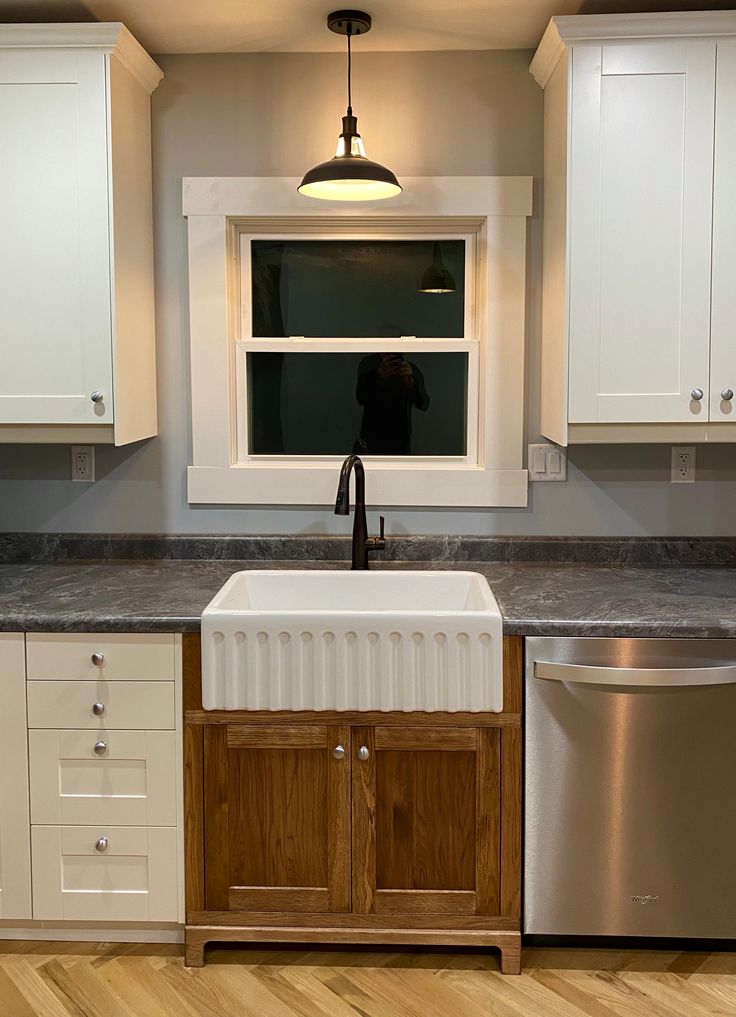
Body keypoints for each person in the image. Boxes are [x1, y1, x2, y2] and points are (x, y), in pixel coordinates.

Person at [354, 352, 430, 455]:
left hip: (400, 438)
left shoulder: (409, 369)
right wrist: (378, 375)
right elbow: (360, 398)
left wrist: (412, 384)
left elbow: (423, 404)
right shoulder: (369, 365)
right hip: (372, 435)